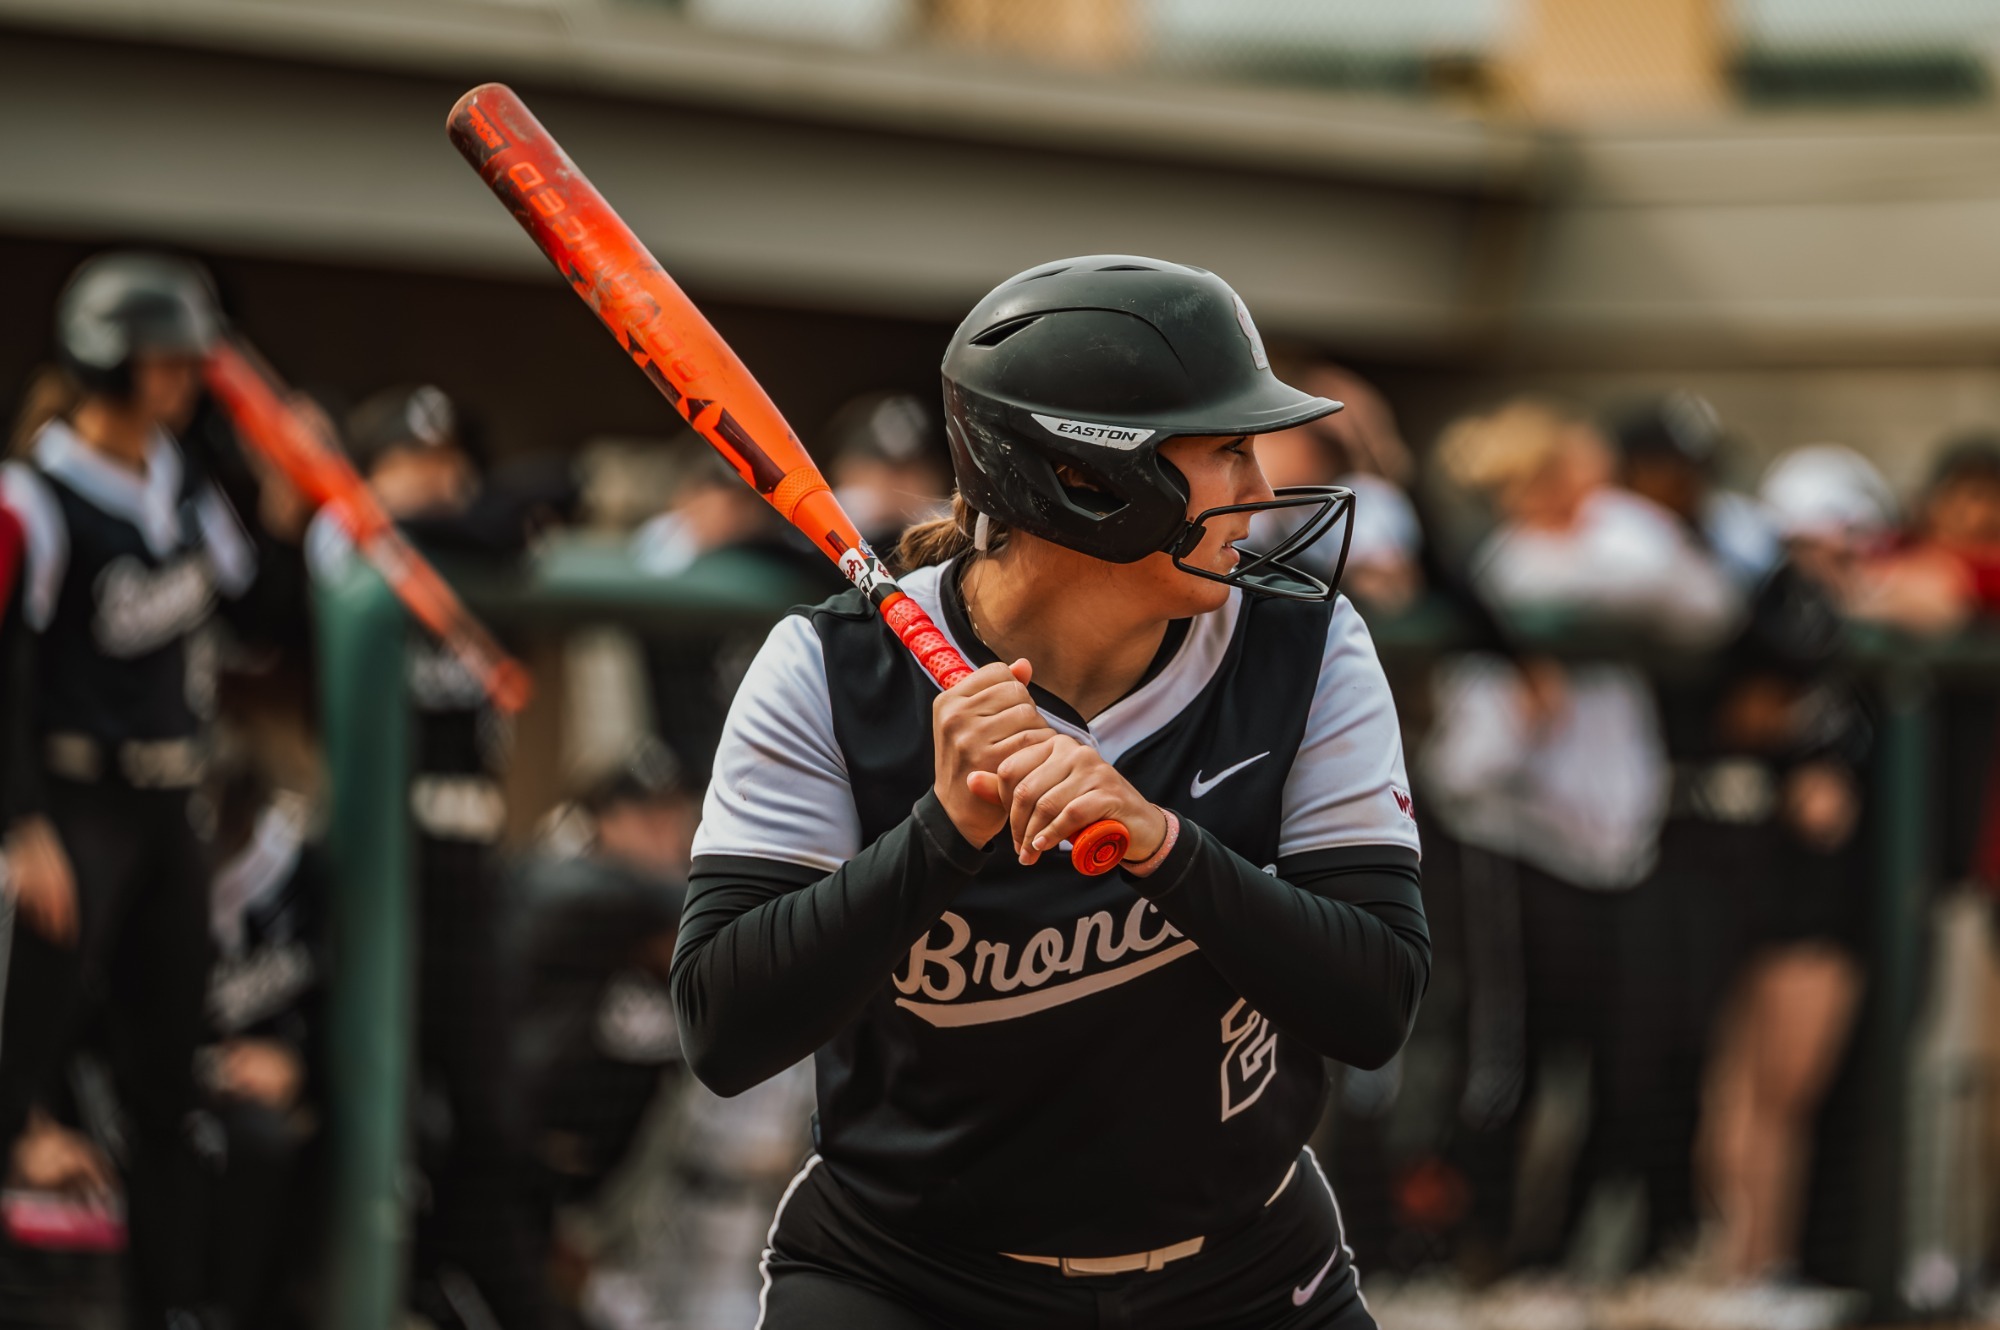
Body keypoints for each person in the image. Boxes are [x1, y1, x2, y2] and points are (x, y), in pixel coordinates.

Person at [671, 256, 1429, 1329]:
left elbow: (1375, 1001)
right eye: (1226, 450)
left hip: (1245, 1274)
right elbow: (724, 1028)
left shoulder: (1303, 646)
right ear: (1090, 478)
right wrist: (942, 834)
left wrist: (1163, 846)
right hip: (912, 1276)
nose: (1260, 492)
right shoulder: (829, 671)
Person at [0, 251, 265, 1326]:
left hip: (167, 806)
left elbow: (263, 616)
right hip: (71, 801)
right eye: (167, 361)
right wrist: (21, 822)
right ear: (110, 362)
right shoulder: (35, 493)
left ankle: (170, 1308)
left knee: (170, 1082)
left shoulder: (187, 486)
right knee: (22, 1058)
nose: (186, 381)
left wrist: (286, 499)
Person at [1422, 397, 1738, 1272]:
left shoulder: (1616, 534)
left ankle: (1563, 1256)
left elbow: (1705, 607)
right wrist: (1525, 703)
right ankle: (1474, 1254)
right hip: (1516, 845)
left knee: (1624, 1061)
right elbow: (1464, 769)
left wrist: (1594, 592)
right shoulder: (1505, 564)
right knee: (1507, 1062)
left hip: (1617, 850)